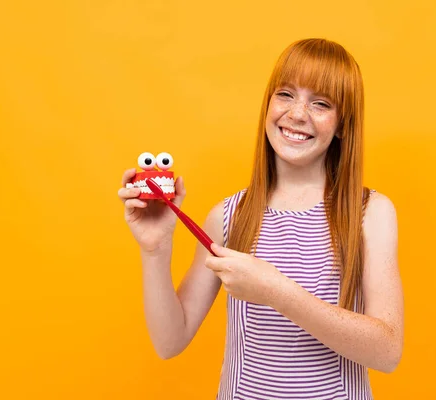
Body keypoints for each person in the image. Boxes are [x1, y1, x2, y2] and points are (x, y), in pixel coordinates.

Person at [118, 38, 403, 400]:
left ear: (342, 124)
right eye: (286, 94)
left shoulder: (370, 212)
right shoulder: (229, 215)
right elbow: (169, 342)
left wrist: (276, 291)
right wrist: (155, 251)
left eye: (321, 103)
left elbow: (388, 351)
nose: (298, 114)